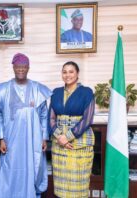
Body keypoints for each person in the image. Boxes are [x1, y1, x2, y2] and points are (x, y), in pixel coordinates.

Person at [0, 53, 52, 198]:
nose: (21, 69)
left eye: (24, 67)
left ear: (28, 68)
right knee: (10, 168)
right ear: (13, 67)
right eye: (18, 66)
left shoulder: (38, 89)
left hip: (33, 138)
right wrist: (1, 138)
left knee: (33, 166)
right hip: (11, 139)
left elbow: (44, 115)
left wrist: (44, 137)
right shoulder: (3, 89)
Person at [48, 61, 95, 198]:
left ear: (77, 74)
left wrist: (67, 137)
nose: (67, 75)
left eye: (71, 71)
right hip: (59, 144)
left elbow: (87, 119)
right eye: (64, 72)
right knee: (61, 187)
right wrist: (59, 137)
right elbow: (51, 118)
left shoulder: (86, 92)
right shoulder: (55, 93)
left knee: (78, 185)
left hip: (79, 143)